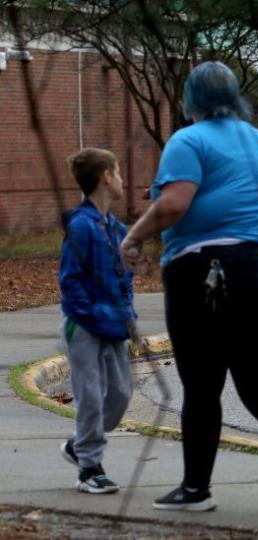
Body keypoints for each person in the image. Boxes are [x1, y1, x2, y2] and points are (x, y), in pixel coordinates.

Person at [120, 61, 258, 514]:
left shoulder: (187, 139)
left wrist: (134, 235)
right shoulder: (256, 138)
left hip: (210, 273)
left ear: (189, 101)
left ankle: (196, 489)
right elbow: (237, 192)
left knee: (201, 385)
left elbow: (175, 205)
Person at [58, 148, 136, 495]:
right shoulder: (81, 225)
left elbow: (124, 278)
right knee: (89, 395)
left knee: (120, 393)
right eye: (118, 172)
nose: (121, 179)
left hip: (115, 325)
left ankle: (79, 444)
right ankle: (90, 467)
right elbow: (70, 280)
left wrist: (127, 314)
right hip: (85, 326)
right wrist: (91, 315)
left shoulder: (115, 228)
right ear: (105, 176)